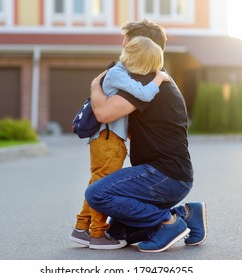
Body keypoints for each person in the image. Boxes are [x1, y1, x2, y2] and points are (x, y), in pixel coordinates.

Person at [83, 19, 207, 253]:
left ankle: (167, 222)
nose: (123, 45)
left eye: (127, 41)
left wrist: (94, 85)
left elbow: (103, 113)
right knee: (119, 232)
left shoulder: (145, 80)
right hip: (169, 177)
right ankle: (187, 214)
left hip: (163, 176)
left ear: (141, 45)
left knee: (97, 194)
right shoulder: (154, 77)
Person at [70, 36, 170, 250]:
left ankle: (81, 228)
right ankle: (96, 233)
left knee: (97, 182)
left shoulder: (117, 73)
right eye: (150, 65)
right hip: (108, 140)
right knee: (101, 187)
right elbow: (144, 94)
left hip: (107, 139)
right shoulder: (117, 73)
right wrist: (160, 78)